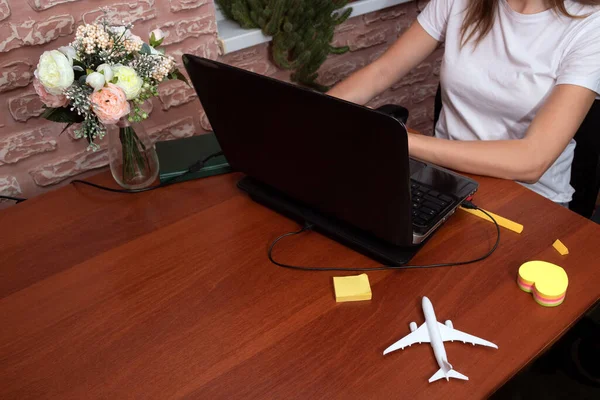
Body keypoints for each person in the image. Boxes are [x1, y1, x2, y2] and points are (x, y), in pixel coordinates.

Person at [327, 0, 600, 205]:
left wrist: (394, 138)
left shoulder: (591, 25)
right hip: (446, 180)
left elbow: (532, 160)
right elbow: (380, 73)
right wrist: (314, 116)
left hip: (530, 202)